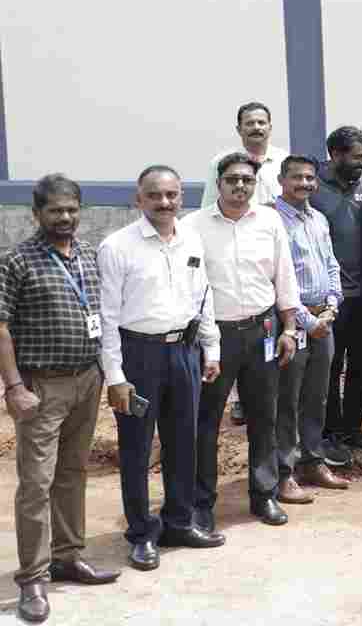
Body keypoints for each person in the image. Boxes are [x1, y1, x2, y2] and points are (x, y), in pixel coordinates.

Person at [2, 176, 121, 621]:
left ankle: (67, 556)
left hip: (87, 380)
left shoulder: (89, 255)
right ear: (37, 214)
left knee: (72, 473)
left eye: (71, 209)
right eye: (55, 210)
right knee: (37, 483)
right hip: (41, 387)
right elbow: (0, 327)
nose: (65, 217)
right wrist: (14, 387)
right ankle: (32, 578)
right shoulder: (16, 261)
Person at [99, 167, 227, 572]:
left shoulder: (191, 238)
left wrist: (211, 348)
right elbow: (107, 317)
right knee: (136, 448)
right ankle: (141, 533)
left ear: (181, 198)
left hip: (185, 352)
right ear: (139, 200)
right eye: (154, 195)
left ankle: (179, 522)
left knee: (183, 441)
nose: (164, 202)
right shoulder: (117, 247)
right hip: (138, 356)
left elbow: (203, 296)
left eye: (171, 195)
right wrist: (115, 377)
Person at [189, 154, 301, 527]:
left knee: (264, 415)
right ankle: (201, 503)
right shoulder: (193, 226)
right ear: (218, 183)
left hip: (262, 331)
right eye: (232, 179)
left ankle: (264, 495)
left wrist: (289, 328)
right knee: (206, 420)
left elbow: (284, 275)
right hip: (214, 336)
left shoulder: (269, 221)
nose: (240, 186)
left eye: (247, 180)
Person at [272, 156, 352, 500]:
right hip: (291, 323)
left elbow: (331, 264)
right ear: (281, 180)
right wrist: (308, 320)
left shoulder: (318, 218)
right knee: (287, 399)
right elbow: (277, 278)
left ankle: (313, 461)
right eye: (297, 177)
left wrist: (332, 306)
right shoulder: (271, 220)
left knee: (317, 396)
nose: (304, 183)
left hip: (324, 320)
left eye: (309, 178)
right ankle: (284, 472)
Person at [310, 127, 362, 456]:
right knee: (329, 367)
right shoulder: (314, 187)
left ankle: (353, 428)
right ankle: (329, 432)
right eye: (357, 158)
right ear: (336, 154)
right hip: (328, 298)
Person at [201, 101, 289, 209]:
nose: (256, 127)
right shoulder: (221, 161)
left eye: (261, 123)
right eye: (249, 123)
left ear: (270, 128)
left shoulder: (284, 160)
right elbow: (208, 206)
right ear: (239, 129)